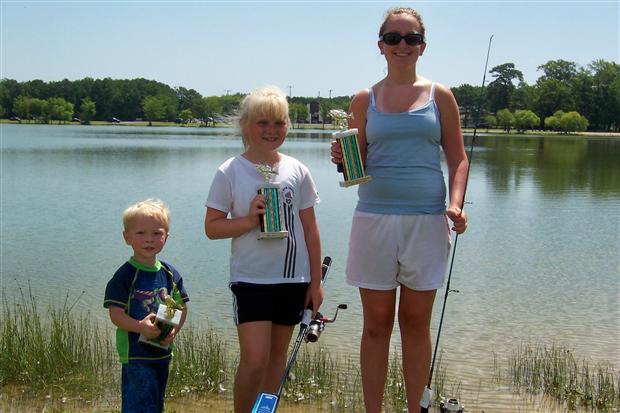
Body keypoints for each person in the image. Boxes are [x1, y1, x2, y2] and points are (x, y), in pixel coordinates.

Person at [330, 7, 469, 412]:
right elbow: (356, 165)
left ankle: (415, 409)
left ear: (422, 47)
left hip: (427, 220)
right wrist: (342, 157)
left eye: (410, 39)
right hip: (373, 219)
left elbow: (458, 159)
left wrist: (456, 205)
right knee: (375, 326)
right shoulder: (363, 99)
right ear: (381, 46)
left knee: (414, 324)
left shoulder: (440, 96)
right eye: (393, 38)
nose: (402, 45)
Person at [204, 85, 323, 413]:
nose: (271, 130)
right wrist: (248, 220)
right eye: (262, 123)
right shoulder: (229, 171)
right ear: (245, 125)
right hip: (251, 281)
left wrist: (316, 283)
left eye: (279, 123)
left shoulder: (298, 171)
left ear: (288, 125)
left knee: (275, 362)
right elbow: (212, 227)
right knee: (254, 360)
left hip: (292, 280)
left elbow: (311, 230)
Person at [104, 198, 190, 413]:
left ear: (166, 237)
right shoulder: (125, 276)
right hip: (135, 354)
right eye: (141, 233)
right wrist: (141, 327)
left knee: (155, 404)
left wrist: (173, 331)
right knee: (138, 406)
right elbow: (116, 315)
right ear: (127, 238)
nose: (149, 239)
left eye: (157, 233)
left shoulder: (170, 274)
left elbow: (181, 308)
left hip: (162, 353)